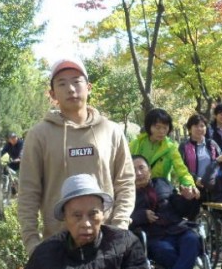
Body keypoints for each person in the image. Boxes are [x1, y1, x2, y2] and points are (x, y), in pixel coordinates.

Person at [18, 57, 135, 254]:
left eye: (76, 81)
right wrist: (32, 242)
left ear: (88, 87)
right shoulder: (38, 135)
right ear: (52, 94)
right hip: (58, 245)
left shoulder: (111, 131)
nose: (71, 89)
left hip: (107, 243)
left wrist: (119, 228)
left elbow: (125, 183)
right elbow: (28, 192)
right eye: (62, 84)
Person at [130, 155, 222, 269]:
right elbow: (122, 218)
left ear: (149, 171)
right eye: (133, 170)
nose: (138, 173)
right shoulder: (125, 194)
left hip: (178, 229)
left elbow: (185, 212)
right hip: (154, 236)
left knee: (192, 239)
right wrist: (141, 216)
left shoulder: (162, 184)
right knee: (165, 251)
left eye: (141, 168)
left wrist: (188, 200)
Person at [129, 108, 199, 199]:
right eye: (157, 127)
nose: (162, 131)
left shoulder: (170, 148)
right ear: (149, 126)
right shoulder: (136, 144)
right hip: (136, 191)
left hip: (159, 192)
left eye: (165, 128)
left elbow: (182, 171)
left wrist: (189, 185)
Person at [178, 113, 220, 192]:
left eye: (202, 126)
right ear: (190, 129)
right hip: (191, 187)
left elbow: (220, 162)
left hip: (212, 187)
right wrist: (195, 179)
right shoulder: (184, 146)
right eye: (196, 126)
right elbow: (181, 167)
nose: (199, 129)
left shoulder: (212, 144)